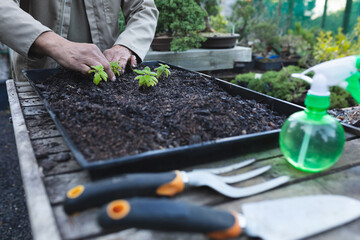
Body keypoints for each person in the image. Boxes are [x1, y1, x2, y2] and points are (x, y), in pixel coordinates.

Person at [0, 0, 159, 82]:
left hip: (108, 79)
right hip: (39, 77)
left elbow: (143, 8)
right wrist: (55, 44)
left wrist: (126, 46)